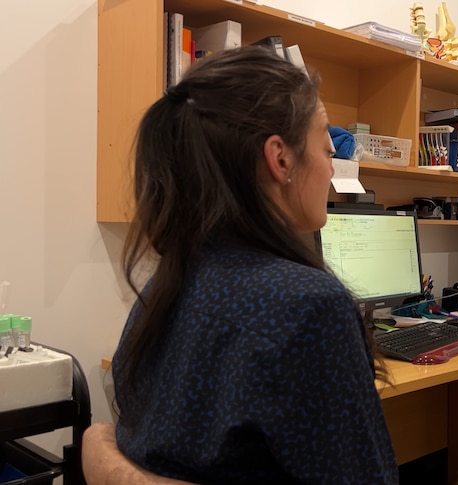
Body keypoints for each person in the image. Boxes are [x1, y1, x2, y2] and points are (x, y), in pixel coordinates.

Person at [106, 46, 398, 484]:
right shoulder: (310, 307)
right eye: (325, 146)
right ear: (280, 159)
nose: (331, 166)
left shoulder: (163, 287)